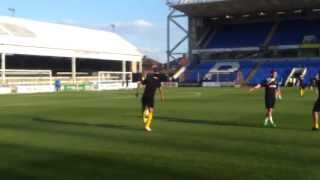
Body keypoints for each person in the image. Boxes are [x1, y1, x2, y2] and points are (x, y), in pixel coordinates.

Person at [136, 66, 165, 132]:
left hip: (144, 96)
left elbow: (140, 83)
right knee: (151, 110)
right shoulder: (158, 80)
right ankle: (147, 126)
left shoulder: (149, 77)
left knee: (144, 108)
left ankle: (145, 116)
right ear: (158, 73)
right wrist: (162, 97)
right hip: (150, 97)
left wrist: (137, 92)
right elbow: (160, 89)